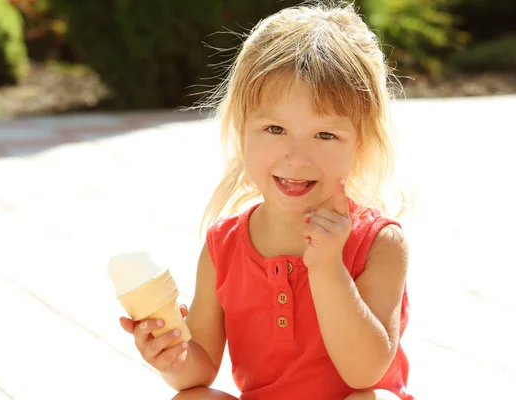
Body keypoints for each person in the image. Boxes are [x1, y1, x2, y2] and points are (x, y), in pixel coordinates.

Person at [120, 1, 413, 399]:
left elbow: (365, 373)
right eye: (275, 128)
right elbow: (200, 367)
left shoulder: (379, 244)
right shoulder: (223, 246)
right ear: (242, 130)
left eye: (325, 135)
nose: (297, 157)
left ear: (360, 144)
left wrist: (328, 268)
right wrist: (171, 356)